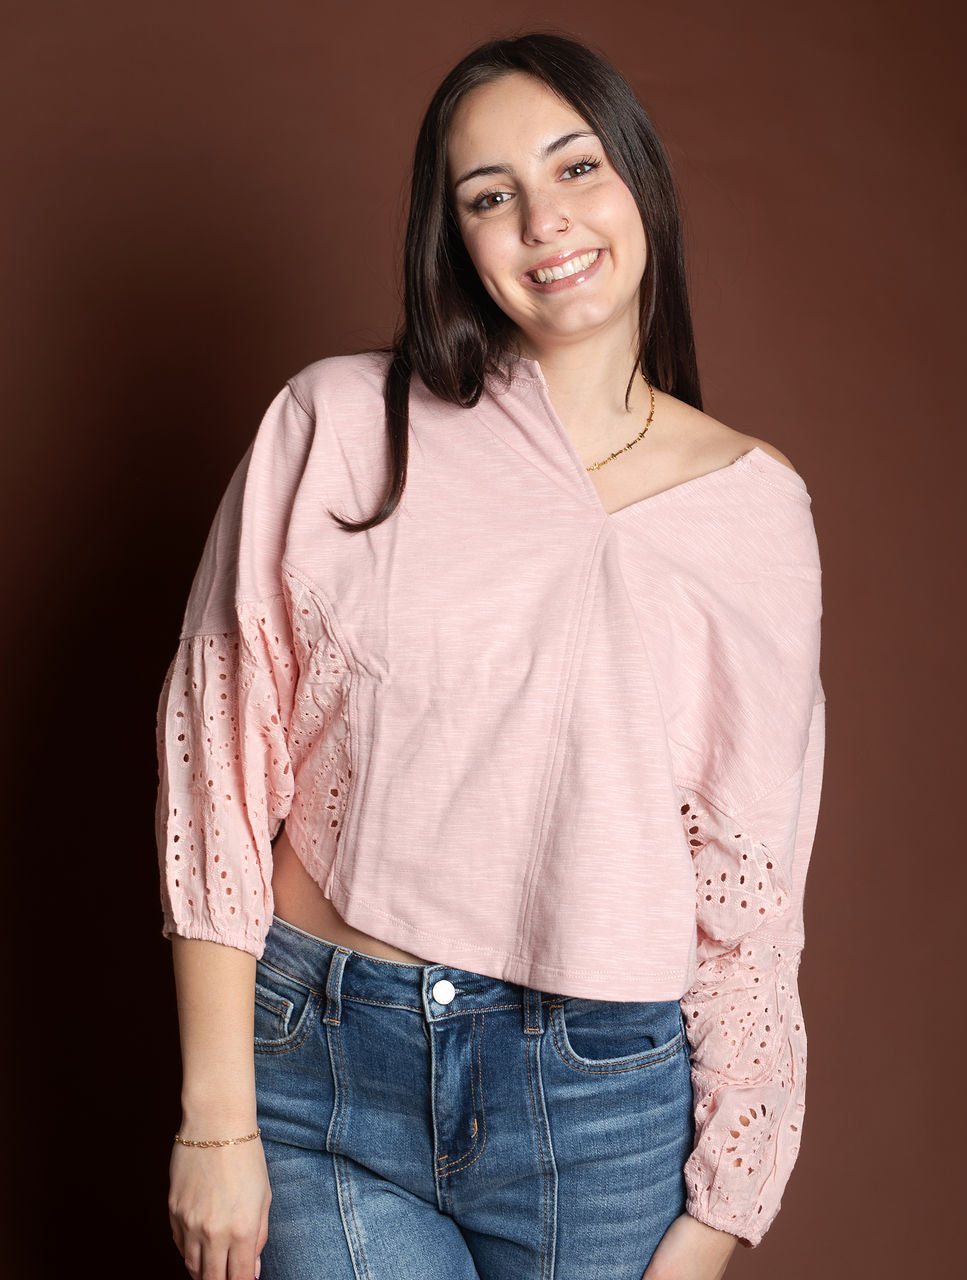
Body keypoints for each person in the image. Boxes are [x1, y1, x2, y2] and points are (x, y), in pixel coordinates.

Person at [156, 31, 825, 1280]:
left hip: (597, 1105)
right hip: (322, 1065)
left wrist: (723, 1209)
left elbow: (751, 893)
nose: (542, 220)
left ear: (637, 181)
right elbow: (218, 770)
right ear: (452, 236)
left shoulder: (753, 509)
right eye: (488, 195)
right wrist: (216, 1115)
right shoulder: (339, 425)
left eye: (575, 168)